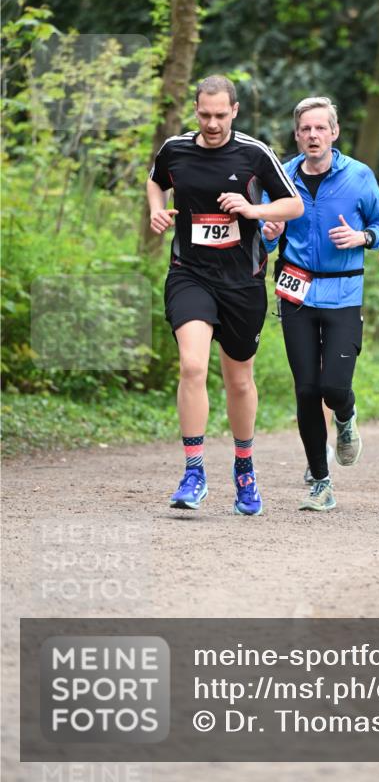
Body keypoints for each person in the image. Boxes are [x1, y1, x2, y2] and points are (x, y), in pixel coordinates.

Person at [147, 75, 303, 516]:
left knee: (238, 380)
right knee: (193, 365)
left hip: (243, 282)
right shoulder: (175, 149)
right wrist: (158, 212)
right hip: (190, 274)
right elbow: (155, 181)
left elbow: (292, 205)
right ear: (195, 110)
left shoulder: (254, 153)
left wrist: (253, 209)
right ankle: (194, 471)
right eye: (204, 114)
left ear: (234, 111)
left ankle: (244, 468)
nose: (212, 123)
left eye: (220, 115)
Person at [262, 96, 379, 513]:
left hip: (343, 294)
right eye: (305, 129)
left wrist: (362, 238)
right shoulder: (281, 176)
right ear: (297, 135)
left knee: (333, 387)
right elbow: (265, 237)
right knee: (305, 390)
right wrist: (268, 232)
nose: (313, 135)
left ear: (334, 133)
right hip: (295, 292)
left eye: (321, 128)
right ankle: (320, 480)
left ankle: (346, 416)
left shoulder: (358, 175)